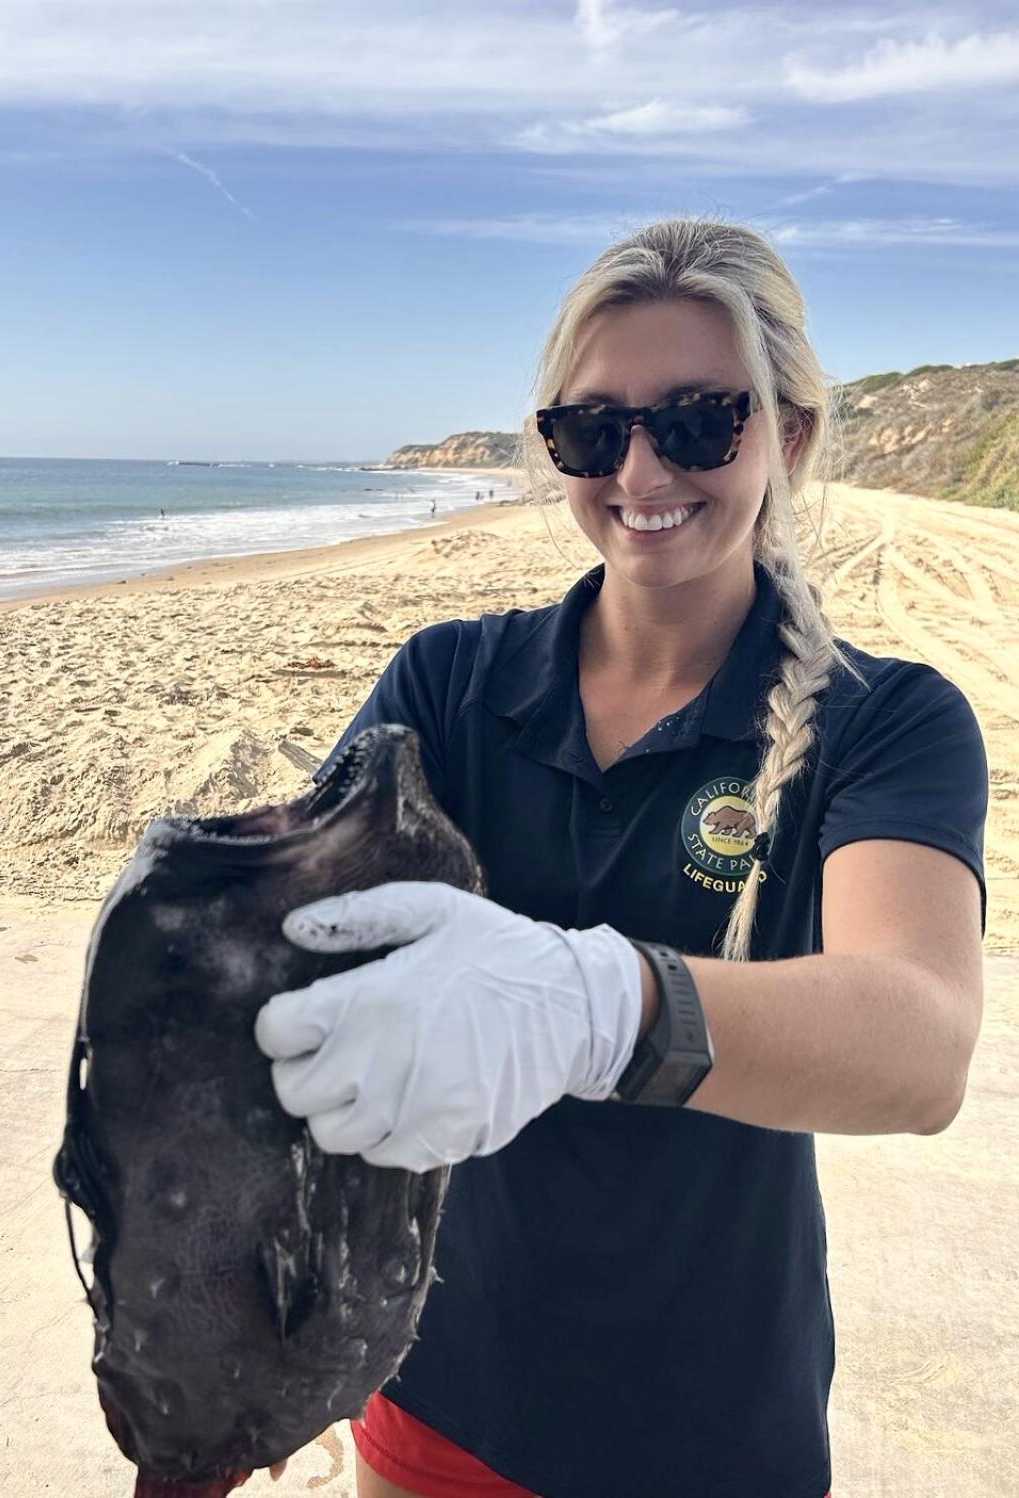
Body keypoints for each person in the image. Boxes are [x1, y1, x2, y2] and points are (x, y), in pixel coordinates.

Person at [254, 219, 988, 1498]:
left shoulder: (886, 722)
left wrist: (603, 1004)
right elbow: (290, 964)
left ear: (790, 434)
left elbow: (921, 1044)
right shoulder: (448, 686)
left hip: (711, 1430)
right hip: (440, 1398)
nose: (642, 467)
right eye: (592, 431)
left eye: (700, 421)